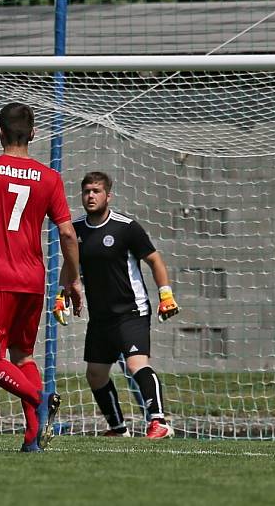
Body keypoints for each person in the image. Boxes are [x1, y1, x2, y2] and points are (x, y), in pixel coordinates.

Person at [0, 102, 83, 452]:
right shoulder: (49, 178)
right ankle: (31, 439)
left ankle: (40, 397)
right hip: (32, 279)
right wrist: (73, 278)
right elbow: (68, 234)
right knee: (22, 356)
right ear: (34, 133)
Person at [54, 171, 179, 439]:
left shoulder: (126, 227)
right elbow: (70, 266)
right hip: (100, 316)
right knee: (95, 375)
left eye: (96, 191)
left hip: (131, 311)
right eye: (87, 191)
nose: (91, 196)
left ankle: (159, 421)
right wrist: (60, 296)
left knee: (136, 366)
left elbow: (155, 260)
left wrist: (165, 295)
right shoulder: (75, 230)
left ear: (108, 196)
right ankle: (118, 428)